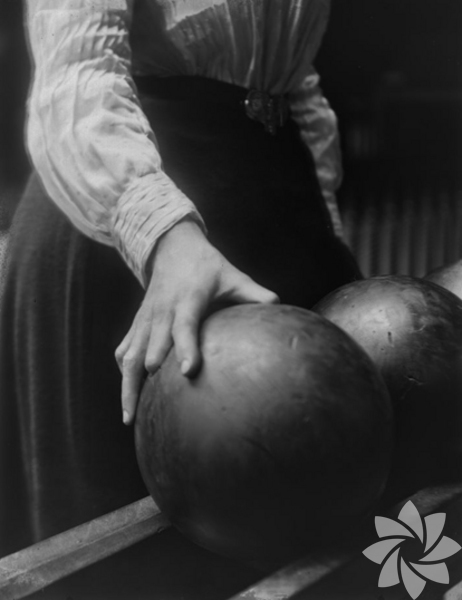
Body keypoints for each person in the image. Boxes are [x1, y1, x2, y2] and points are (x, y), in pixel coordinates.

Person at [0, 0, 361, 557]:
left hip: (270, 210)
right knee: (129, 554)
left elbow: (291, 72)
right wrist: (161, 233)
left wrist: (322, 230)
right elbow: (76, 70)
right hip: (125, 236)